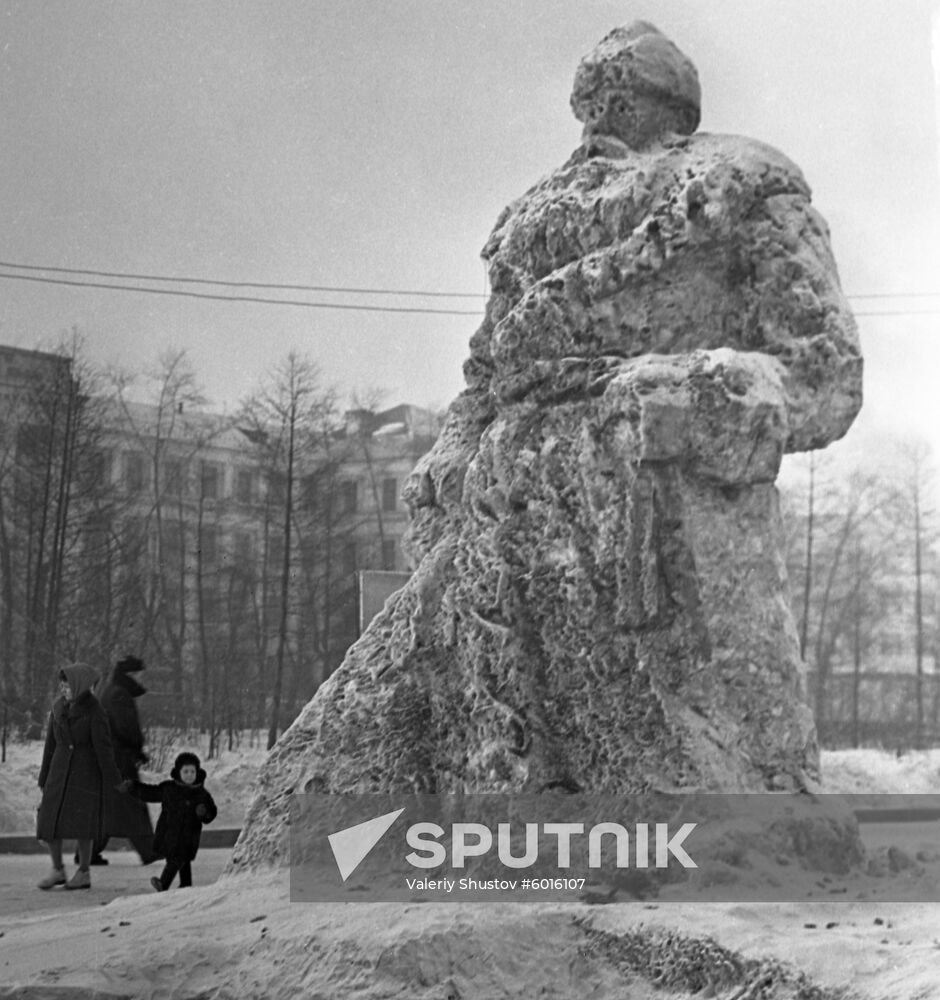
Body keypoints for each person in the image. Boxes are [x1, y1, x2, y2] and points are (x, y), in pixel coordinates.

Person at [36, 663, 123, 890]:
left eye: (67, 685)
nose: (63, 689)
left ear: (79, 685)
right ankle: (57, 870)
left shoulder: (95, 711)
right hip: (58, 771)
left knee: (84, 826)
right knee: (49, 820)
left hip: (85, 775)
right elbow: (50, 745)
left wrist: (114, 782)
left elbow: (104, 749)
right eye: (61, 685)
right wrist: (44, 777)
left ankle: (83, 872)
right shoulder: (58, 708)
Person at [78, 654, 157, 866]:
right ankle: (150, 851)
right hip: (119, 758)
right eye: (140, 675)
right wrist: (137, 749)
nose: (143, 680)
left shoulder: (110, 690)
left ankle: (87, 853)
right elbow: (126, 727)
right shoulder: (120, 695)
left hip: (107, 757)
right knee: (132, 803)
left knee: (107, 807)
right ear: (130, 675)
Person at [123, 751, 217, 891]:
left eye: (192, 771)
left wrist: (204, 813)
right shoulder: (169, 789)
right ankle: (186, 884)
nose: (189, 775)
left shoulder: (202, 795)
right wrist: (134, 787)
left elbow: (211, 812)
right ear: (178, 772)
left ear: (198, 772)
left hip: (189, 836)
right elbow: (151, 792)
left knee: (178, 858)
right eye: (186, 771)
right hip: (169, 834)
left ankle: (163, 883)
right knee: (180, 860)